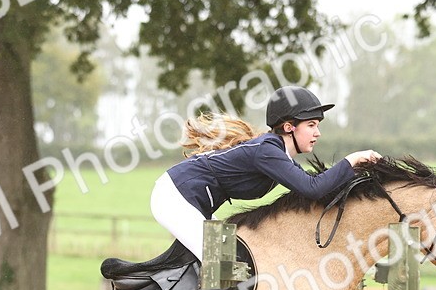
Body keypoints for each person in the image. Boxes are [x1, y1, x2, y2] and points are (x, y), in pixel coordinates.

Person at [150, 86, 382, 261]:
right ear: (289, 127)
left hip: (187, 199)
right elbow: (313, 188)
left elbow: (317, 189)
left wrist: (358, 178)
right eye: (311, 125)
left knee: (232, 257)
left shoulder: (278, 155)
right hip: (173, 197)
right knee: (221, 262)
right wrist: (351, 161)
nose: (317, 133)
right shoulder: (267, 151)